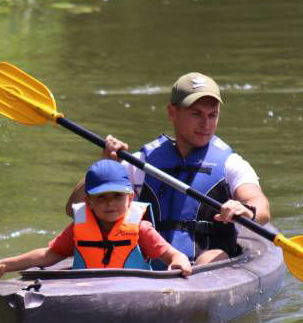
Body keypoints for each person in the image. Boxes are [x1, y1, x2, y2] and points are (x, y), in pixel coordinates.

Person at [65, 72, 270, 267]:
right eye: (196, 114)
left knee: (211, 258)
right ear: (173, 112)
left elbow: (261, 206)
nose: (205, 124)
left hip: (208, 266)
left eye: (212, 115)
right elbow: (74, 208)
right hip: (147, 265)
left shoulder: (230, 164)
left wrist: (245, 210)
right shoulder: (142, 163)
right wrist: (106, 166)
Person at [0, 160, 192, 279]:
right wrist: (5, 264)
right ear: (88, 201)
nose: (109, 203)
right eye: (101, 197)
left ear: (130, 198)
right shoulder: (78, 228)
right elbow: (48, 255)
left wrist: (178, 262)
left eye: (117, 196)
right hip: (87, 294)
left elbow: (172, 255)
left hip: (131, 294)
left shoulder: (141, 228)